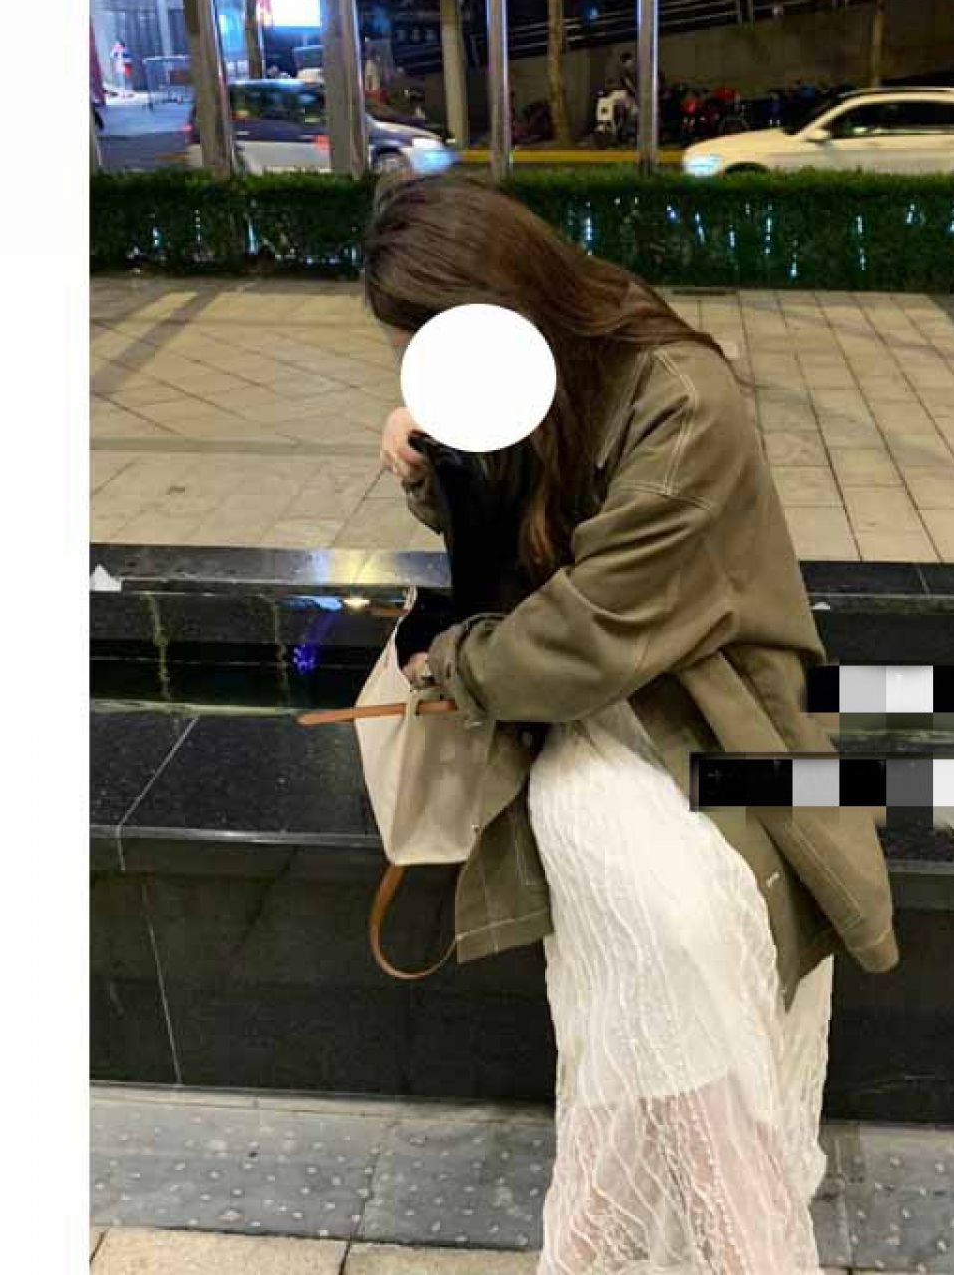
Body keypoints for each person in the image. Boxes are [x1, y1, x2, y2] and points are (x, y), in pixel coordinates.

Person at [366, 176, 897, 1275]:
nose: (425, 365)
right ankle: (694, 1236)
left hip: (719, 711)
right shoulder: (532, 372)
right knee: (654, 922)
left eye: (428, 336)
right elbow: (513, 553)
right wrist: (432, 469)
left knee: (679, 924)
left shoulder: (677, 398)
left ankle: (697, 1239)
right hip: (582, 721)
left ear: (498, 299)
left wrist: (448, 663)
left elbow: (589, 631)